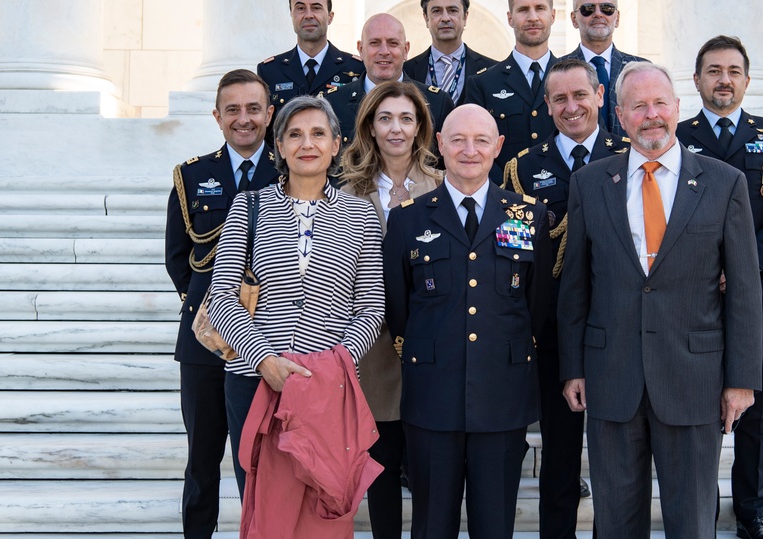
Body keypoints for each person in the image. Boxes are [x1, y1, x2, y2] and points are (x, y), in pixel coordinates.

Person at [558, 61, 763, 538]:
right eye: (638, 106)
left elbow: (746, 291)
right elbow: (575, 286)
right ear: (620, 114)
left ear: (676, 108)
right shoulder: (591, 183)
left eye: (659, 104)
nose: (651, 115)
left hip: (694, 379)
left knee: (691, 519)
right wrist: (573, 366)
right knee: (615, 521)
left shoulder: (724, 182)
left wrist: (741, 381)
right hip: (612, 378)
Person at [383, 104, 552, 539]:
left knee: (494, 526)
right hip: (432, 397)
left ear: (498, 147)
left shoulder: (529, 218)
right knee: (431, 526)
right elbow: (399, 310)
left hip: (502, 396)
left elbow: (536, 307)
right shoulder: (407, 220)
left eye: (481, 140)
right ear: (440, 144)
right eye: (457, 139)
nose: (469, 150)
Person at [206, 95, 384, 506]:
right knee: (263, 504)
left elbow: (372, 306)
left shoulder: (361, 215)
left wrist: (332, 365)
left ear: (336, 144)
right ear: (279, 147)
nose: (308, 144)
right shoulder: (249, 206)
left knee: (321, 503)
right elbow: (223, 296)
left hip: (327, 386)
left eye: (319, 133)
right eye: (295, 135)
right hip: (255, 380)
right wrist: (263, 360)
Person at [677, 35, 763, 539]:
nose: (723, 79)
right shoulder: (676, 138)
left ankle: (752, 511)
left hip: (759, 295)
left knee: (756, 405)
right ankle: (699, 509)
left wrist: (744, 267)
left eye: (732, 70)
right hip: (694, 295)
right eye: (713, 70)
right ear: (697, 81)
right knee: (696, 409)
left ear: (747, 80)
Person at [502, 58, 629, 539]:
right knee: (558, 457)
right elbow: (513, 253)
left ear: (600, 97)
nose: (571, 107)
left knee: (618, 458)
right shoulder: (520, 169)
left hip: (619, 324)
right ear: (547, 106)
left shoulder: (630, 156)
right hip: (553, 330)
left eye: (580, 95)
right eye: (560, 99)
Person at [164, 69, 279, 539]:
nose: (244, 119)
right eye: (233, 109)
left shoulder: (293, 168)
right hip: (205, 345)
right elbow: (177, 259)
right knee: (203, 457)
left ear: (270, 114)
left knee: (262, 460)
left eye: (254, 108)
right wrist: (213, 317)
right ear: (217, 116)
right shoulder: (193, 175)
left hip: (269, 339)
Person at [339, 80, 443, 539]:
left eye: (406, 118)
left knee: (427, 478)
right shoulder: (343, 194)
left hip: (430, 350)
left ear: (420, 126)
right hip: (371, 353)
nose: (396, 128)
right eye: (385, 118)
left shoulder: (443, 186)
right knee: (379, 477)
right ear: (370, 127)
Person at [466, 0, 558, 182]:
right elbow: (475, 148)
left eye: (540, 8)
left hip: (564, 202)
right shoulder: (483, 84)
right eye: (523, 9)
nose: (533, 17)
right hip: (507, 203)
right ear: (510, 17)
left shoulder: (572, 79)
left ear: (553, 15)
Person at [257, 0, 364, 144]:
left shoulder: (356, 68)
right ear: (291, 15)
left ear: (330, 17)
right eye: (300, 8)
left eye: (316, 7)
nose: (308, 15)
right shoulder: (270, 71)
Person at [324, 13, 453, 148]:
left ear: (406, 49)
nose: (384, 51)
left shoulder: (437, 104)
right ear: (361, 49)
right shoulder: (333, 104)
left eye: (393, 43)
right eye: (375, 43)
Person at [560, 0, 649, 136]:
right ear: (574, 19)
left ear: (617, 17)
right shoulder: (558, 69)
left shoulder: (642, 68)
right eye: (588, 9)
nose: (598, 14)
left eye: (607, 9)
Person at [403, 0, 498, 105]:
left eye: (453, 10)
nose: (445, 18)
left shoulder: (493, 70)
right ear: (426, 18)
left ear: (465, 17)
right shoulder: (406, 72)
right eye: (436, 11)